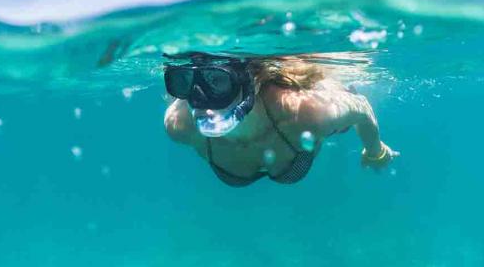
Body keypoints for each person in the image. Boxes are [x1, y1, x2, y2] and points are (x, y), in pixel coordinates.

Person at [163, 52, 399, 186]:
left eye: (218, 81)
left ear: (252, 81)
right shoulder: (179, 125)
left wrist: (374, 151)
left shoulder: (304, 112)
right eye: (182, 82)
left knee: (341, 118)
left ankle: (342, 88)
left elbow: (362, 107)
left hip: (307, 106)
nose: (199, 98)